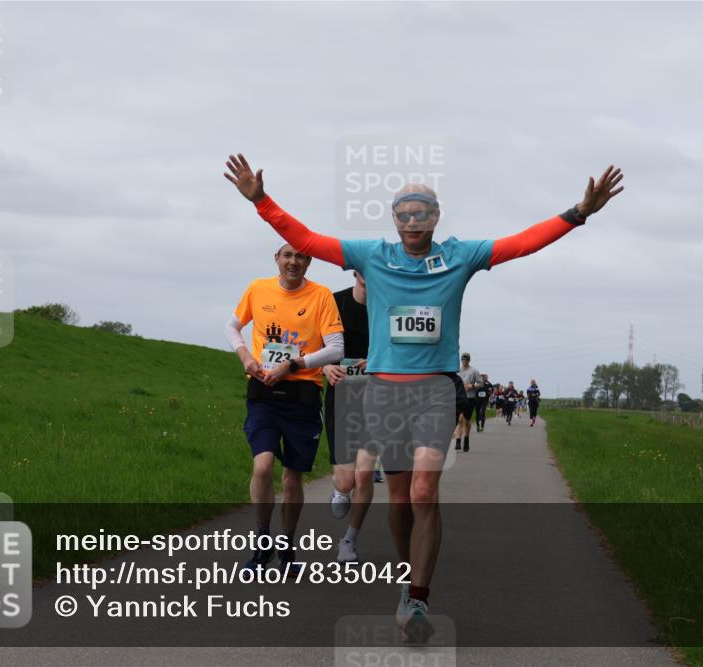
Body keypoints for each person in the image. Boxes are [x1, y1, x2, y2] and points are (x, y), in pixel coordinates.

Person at [224, 152, 624, 642]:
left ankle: (418, 597)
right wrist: (261, 201)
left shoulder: (460, 256)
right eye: (404, 213)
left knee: (422, 493)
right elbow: (307, 240)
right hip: (385, 393)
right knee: (397, 501)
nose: (413, 221)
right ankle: (407, 574)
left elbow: (521, 243)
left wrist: (579, 213)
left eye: (422, 213)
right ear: (394, 220)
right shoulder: (373, 256)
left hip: (435, 390)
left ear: (436, 216)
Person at [224, 244, 345, 573]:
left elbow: (336, 348)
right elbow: (232, 326)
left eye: (301, 256)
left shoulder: (321, 295)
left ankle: (287, 545)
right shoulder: (258, 288)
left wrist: (294, 364)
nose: (294, 261)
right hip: (263, 391)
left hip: (302, 395)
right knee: (262, 467)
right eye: (287, 255)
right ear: (276, 259)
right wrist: (245, 355)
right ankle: (262, 542)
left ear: (309, 261)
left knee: (292, 479)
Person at [324, 271, 378, 563]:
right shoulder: (335, 302)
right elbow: (314, 344)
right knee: (346, 481)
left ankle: (349, 540)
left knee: (365, 473)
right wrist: (324, 368)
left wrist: (379, 362)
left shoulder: (388, 304)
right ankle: (340, 490)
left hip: (377, 398)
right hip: (342, 396)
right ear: (355, 270)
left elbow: (403, 348)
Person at [453, 352, 480, 452]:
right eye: (463, 359)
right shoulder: (457, 371)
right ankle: (458, 441)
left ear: (469, 360)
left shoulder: (474, 371)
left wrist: (472, 386)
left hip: (470, 398)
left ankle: (466, 439)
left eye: (466, 359)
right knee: (459, 419)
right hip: (459, 398)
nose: (465, 361)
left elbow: (480, 383)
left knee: (467, 420)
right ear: (461, 360)